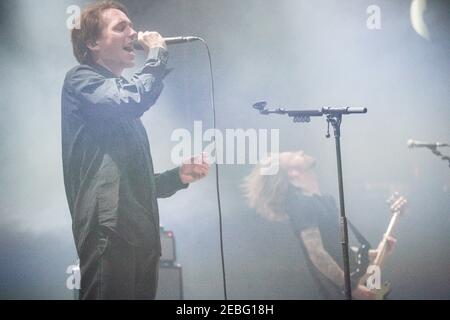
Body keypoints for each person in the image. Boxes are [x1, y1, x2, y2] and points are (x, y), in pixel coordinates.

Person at [61, 1, 210, 299]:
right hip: (110, 230)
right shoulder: (81, 80)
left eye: (131, 26)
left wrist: (177, 177)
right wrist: (157, 55)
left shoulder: (123, 106)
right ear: (92, 43)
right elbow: (132, 99)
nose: (134, 33)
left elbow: (133, 184)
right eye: (121, 27)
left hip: (141, 236)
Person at [243, 151, 396, 299]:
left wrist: (376, 253)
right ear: (292, 174)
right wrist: (351, 287)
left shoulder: (325, 200)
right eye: (292, 156)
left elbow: (339, 247)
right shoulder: (301, 205)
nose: (300, 152)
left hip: (355, 280)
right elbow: (317, 253)